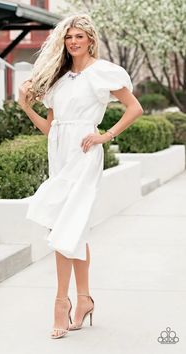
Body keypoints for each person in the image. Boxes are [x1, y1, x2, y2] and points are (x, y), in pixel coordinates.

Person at [18, 13, 143, 339]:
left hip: (85, 154)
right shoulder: (58, 79)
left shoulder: (102, 73)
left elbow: (135, 108)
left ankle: (61, 303)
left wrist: (105, 135)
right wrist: (26, 107)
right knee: (71, 226)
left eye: (79, 37)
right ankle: (84, 298)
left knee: (65, 227)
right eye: (69, 37)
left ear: (90, 40)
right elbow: (50, 128)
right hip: (59, 153)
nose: (73, 42)